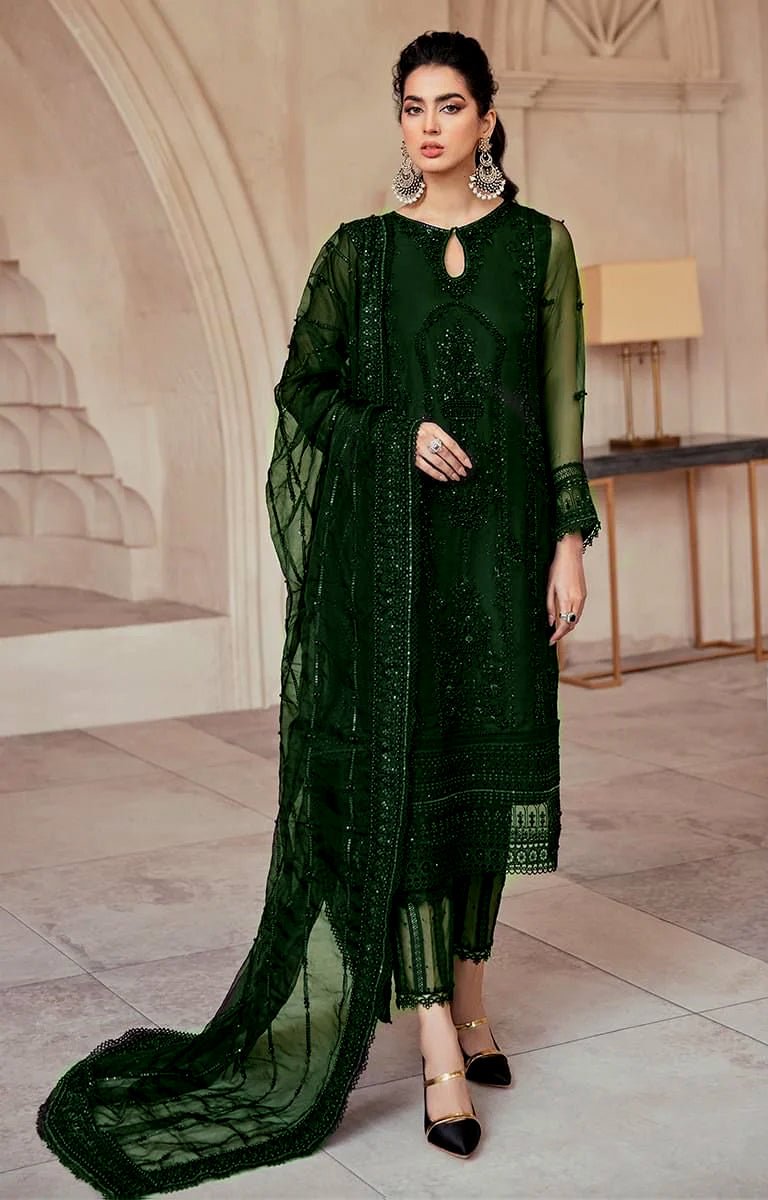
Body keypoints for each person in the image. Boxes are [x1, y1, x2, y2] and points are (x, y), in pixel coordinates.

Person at [35, 28, 601, 1198]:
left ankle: (475, 999)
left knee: (482, 780)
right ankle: (436, 1041)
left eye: (449, 105)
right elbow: (304, 388)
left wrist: (567, 542)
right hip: (395, 573)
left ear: (487, 119)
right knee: (413, 786)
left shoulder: (540, 247)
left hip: (499, 559)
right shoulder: (358, 254)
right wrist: (394, 435)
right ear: (399, 122)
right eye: (412, 107)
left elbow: (560, 402)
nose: (429, 126)